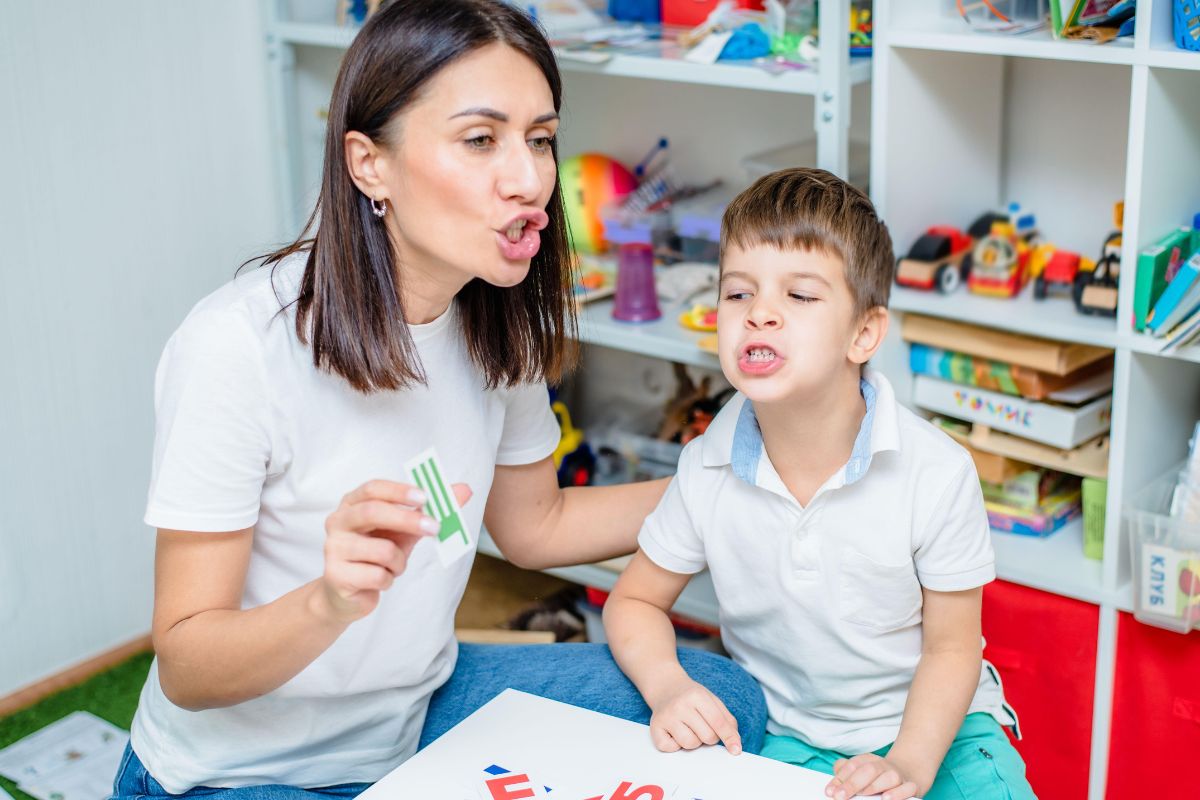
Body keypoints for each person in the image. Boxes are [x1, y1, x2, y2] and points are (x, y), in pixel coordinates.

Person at [112, 3, 764, 798]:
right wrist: (329, 601)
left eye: (541, 137)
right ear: (368, 164)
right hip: (235, 773)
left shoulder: (497, 320)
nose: (528, 178)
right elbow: (185, 664)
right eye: (480, 139)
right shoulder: (236, 346)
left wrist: (740, 482)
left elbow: (534, 526)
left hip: (411, 718)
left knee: (722, 702)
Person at [603, 168, 1036, 800]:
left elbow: (952, 649)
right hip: (787, 738)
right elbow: (634, 601)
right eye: (737, 294)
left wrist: (910, 766)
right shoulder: (706, 465)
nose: (761, 315)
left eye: (800, 297)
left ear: (863, 334)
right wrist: (669, 686)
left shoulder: (936, 471)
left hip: (941, 731)